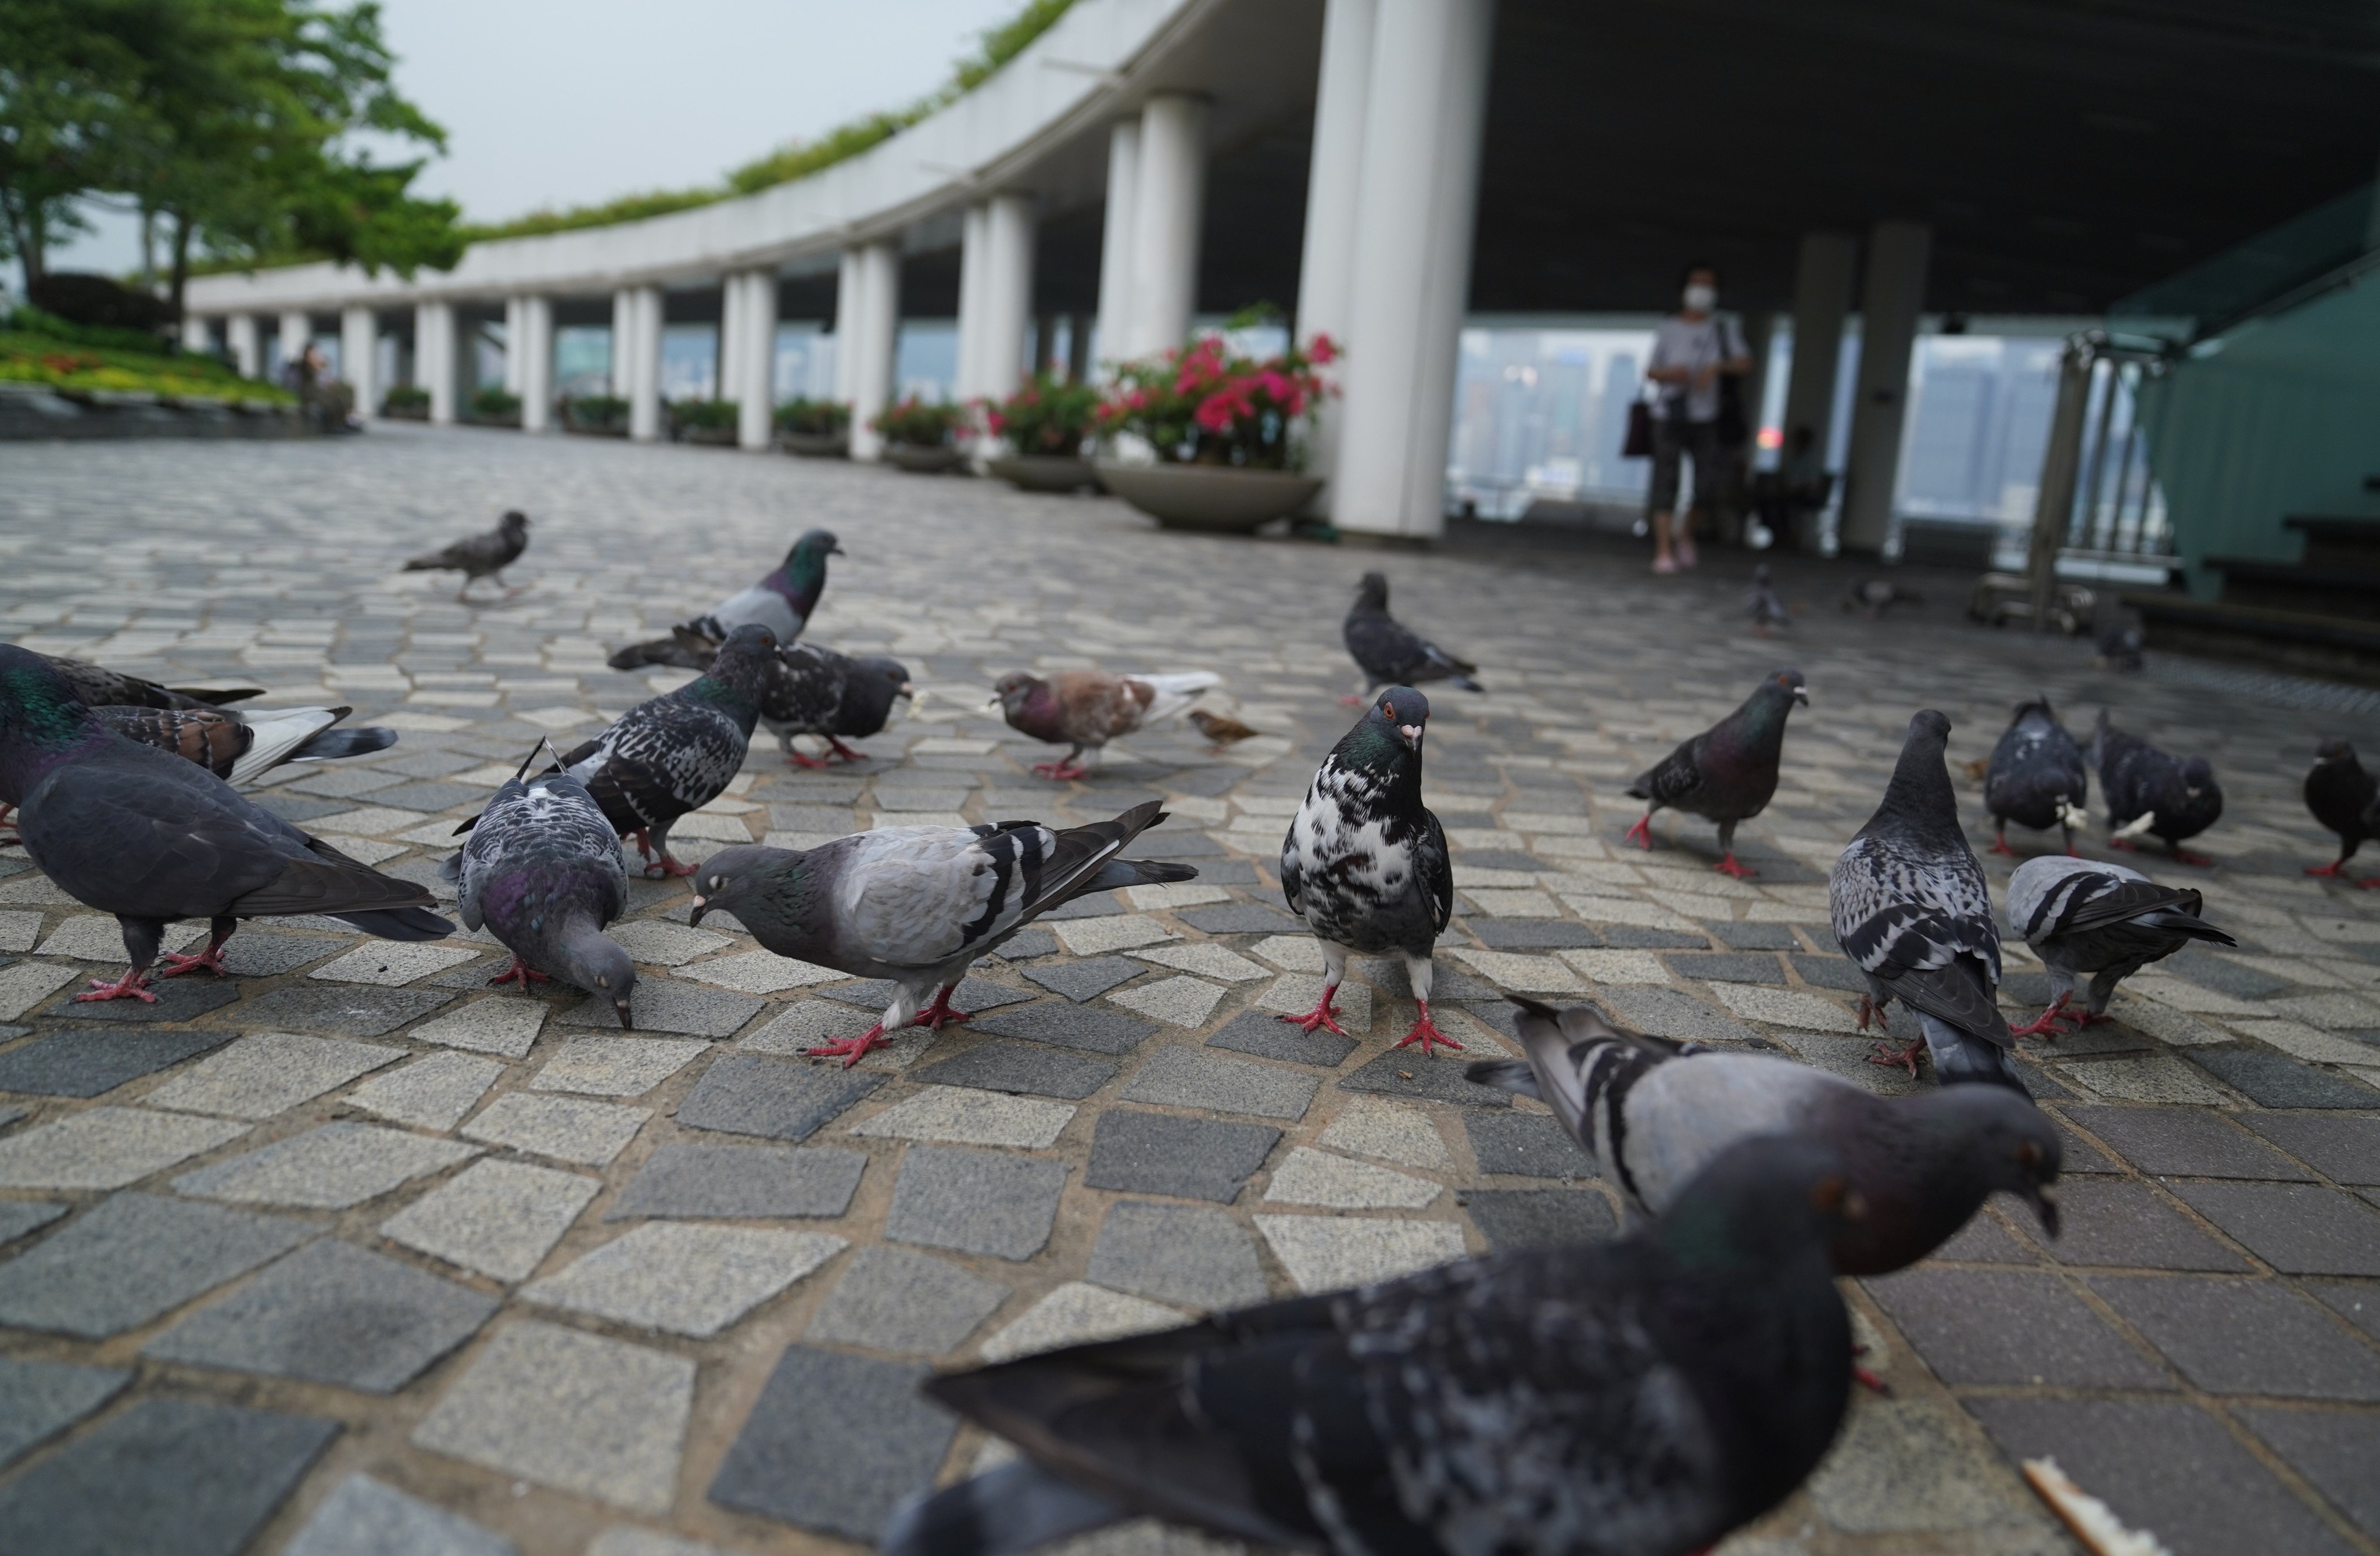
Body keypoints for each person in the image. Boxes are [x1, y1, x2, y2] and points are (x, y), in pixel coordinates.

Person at [1643, 263, 1749, 573]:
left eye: (1709, 285)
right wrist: (1671, 374)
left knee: (1706, 485)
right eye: (1696, 283)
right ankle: (1663, 550)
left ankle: (1685, 535)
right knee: (1666, 481)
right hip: (1669, 413)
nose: (1702, 291)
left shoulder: (1722, 329)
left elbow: (1745, 362)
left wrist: (1716, 368)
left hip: (1707, 416)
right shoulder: (1669, 327)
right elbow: (1650, 370)